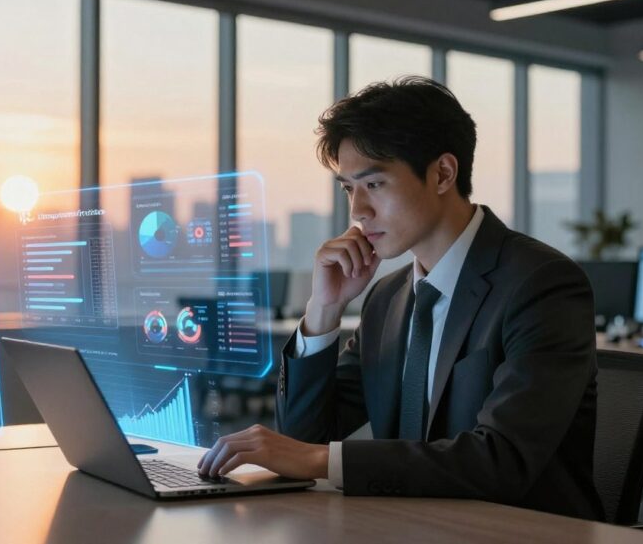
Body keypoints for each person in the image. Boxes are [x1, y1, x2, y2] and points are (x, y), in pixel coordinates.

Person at [197, 76, 603, 520]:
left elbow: (502, 461)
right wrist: (324, 309)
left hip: (519, 530)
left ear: (443, 173)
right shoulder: (388, 298)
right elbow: (303, 437)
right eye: (349, 188)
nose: (358, 211)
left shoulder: (540, 284)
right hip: (412, 524)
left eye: (374, 184)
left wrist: (320, 461)